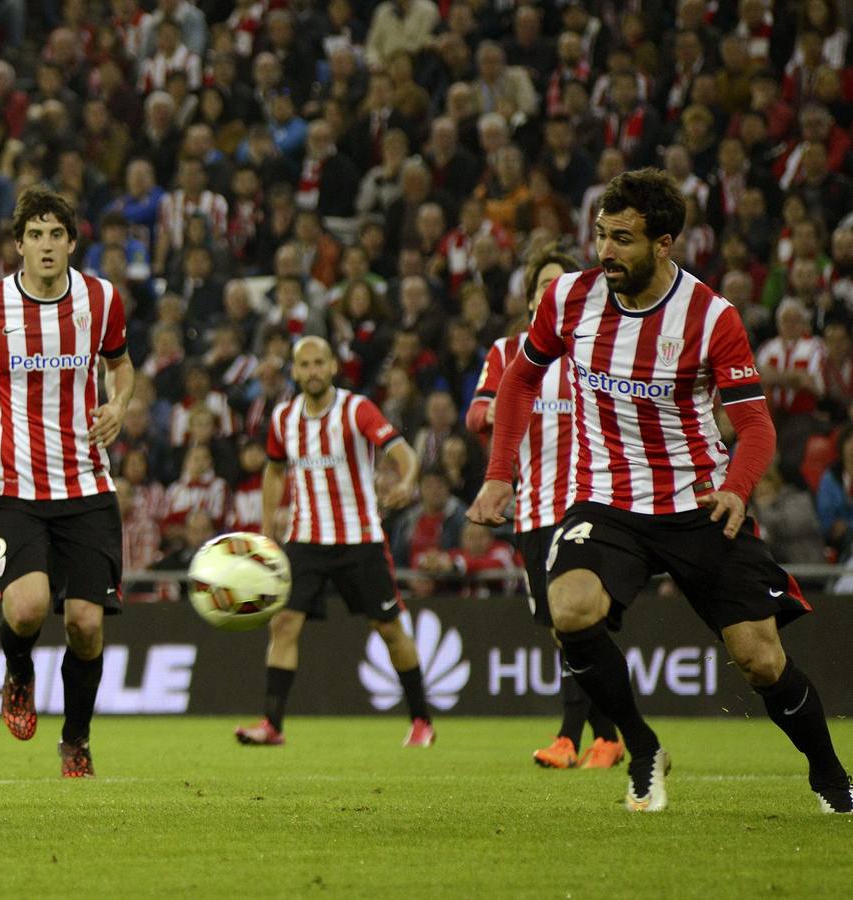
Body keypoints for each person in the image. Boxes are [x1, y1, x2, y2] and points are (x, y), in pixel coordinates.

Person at [468, 168, 852, 814]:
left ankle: (831, 779)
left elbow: (756, 424)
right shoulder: (569, 299)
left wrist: (736, 487)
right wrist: (499, 472)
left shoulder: (709, 317)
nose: (605, 252)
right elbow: (518, 381)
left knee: (759, 660)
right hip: (608, 502)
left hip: (698, 505)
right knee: (570, 610)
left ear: (665, 242)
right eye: (600, 235)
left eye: (622, 239)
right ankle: (642, 750)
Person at [0, 186, 134, 778]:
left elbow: (122, 366)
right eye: (35, 234)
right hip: (14, 489)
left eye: (57, 234)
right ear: (17, 244)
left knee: (86, 624)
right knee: (26, 608)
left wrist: (120, 403)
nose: (46, 245)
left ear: (72, 243)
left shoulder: (101, 300)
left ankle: (76, 740)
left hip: (87, 487)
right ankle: (18, 671)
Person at [465, 244, 624, 771]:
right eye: (542, 287)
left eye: (561, 284)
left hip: (584, 505)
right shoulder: (508, 352)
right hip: (531, 507)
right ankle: (610, 735)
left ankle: (569, 738)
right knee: (566, 632)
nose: (551, 295)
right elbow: (476, 414)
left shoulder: (593, 350)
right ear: (533, 299)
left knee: (575, 623)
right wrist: (492, 412)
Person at [235, 336, 433, 749]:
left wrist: (408, 481)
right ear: (294, 371)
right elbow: (274, 472)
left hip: (359, 538)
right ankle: (272, 725)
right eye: (304, 364)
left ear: (332, 367)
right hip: (306, 540)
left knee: (389, 628)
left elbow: (402, 453)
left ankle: (421, 720)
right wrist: (267, 527)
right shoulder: (283, 418)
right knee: (283, 623)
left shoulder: (356, 409)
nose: (312, 371)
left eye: (319, 363)